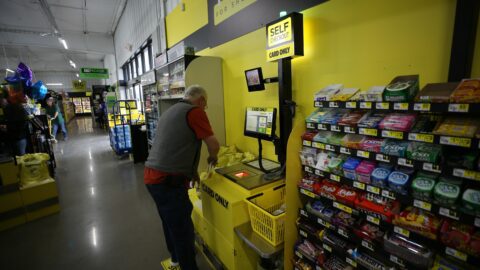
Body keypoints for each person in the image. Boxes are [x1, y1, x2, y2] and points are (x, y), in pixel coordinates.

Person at [144, 85, 220, 270]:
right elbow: (214, 144)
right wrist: (213, 158)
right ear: (201, 101)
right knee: (183, 230)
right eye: (205, 105)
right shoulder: (195, 112)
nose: (204, 108)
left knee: (170, 220)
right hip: (167, 181)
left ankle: (175, 257)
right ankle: (186, 263)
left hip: (152, 177)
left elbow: (179, 147)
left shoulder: (172, 111)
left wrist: (192, 173)